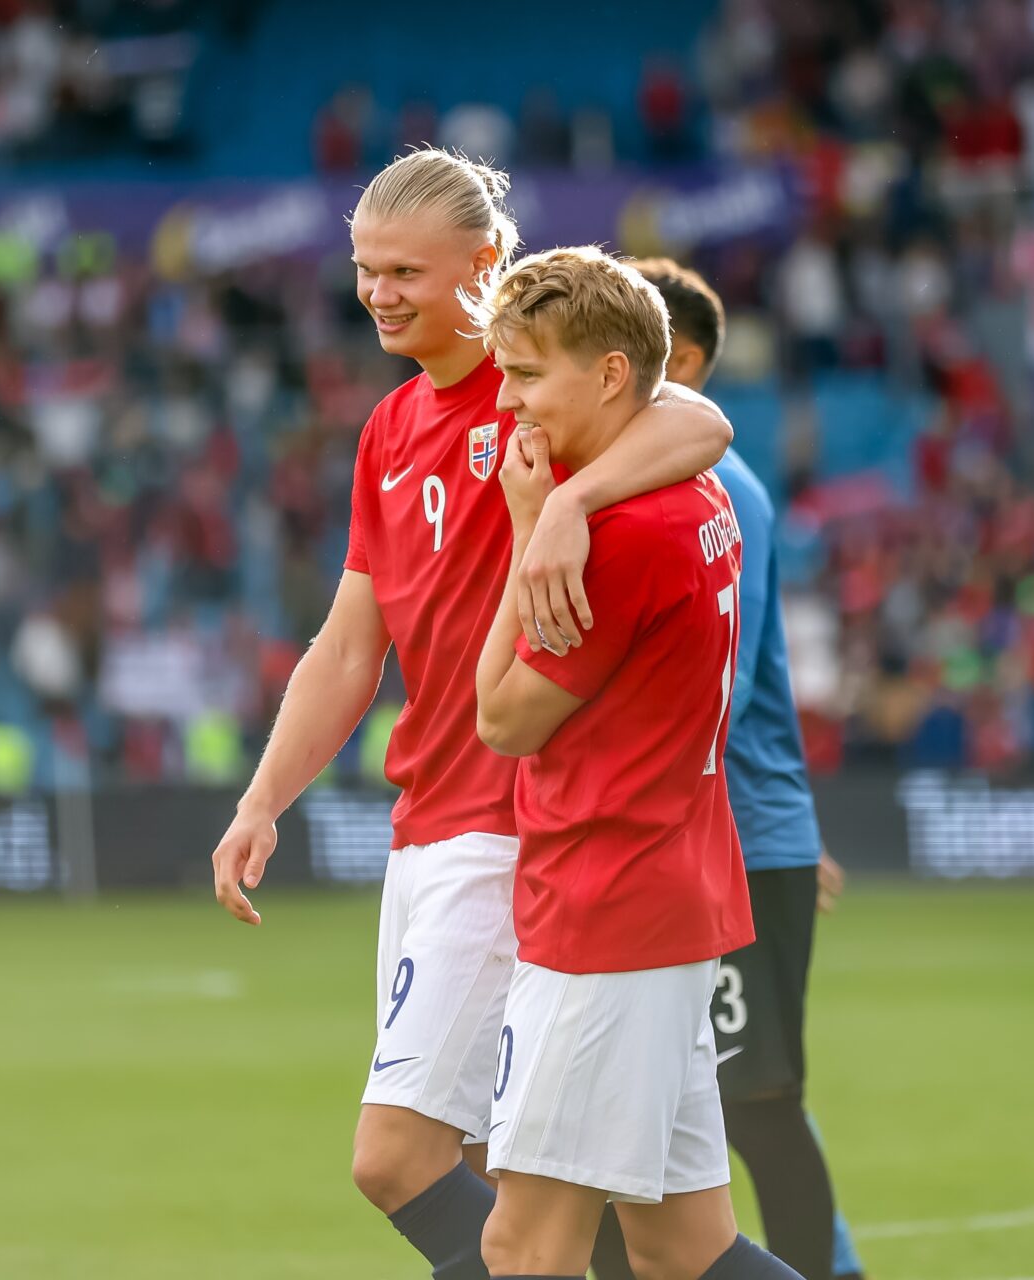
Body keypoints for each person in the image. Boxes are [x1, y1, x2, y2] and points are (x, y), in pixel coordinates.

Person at [208, 149, 733, 1280]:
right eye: (364, 268)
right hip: (432, 819)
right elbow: (353, 644)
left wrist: (567, 504)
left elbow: (699, 425)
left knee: (402, 1159)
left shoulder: (536, 391)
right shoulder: (392, 427)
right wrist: (263, 798)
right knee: (620, 1226)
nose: (380, 292)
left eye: (405, 269)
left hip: (517, 826)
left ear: (487, 262)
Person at [470, 245, 799, 1280]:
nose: (509, 402)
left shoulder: (618, 532)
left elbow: (502, 718)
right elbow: (697, 418)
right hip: (669, 894)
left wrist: (534, 525)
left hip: (604, 913)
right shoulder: (690, 491)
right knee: (684, 1248)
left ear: (611, 375)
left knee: (523, 1245)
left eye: (527, 376)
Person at [582, 259, 868, 1280]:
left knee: (754, 1103)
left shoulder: (725, 488)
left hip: (729, 837)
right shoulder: (628, 482)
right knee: (632, 1114)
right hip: (688, 840)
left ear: (682, 360)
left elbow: (722, 683)